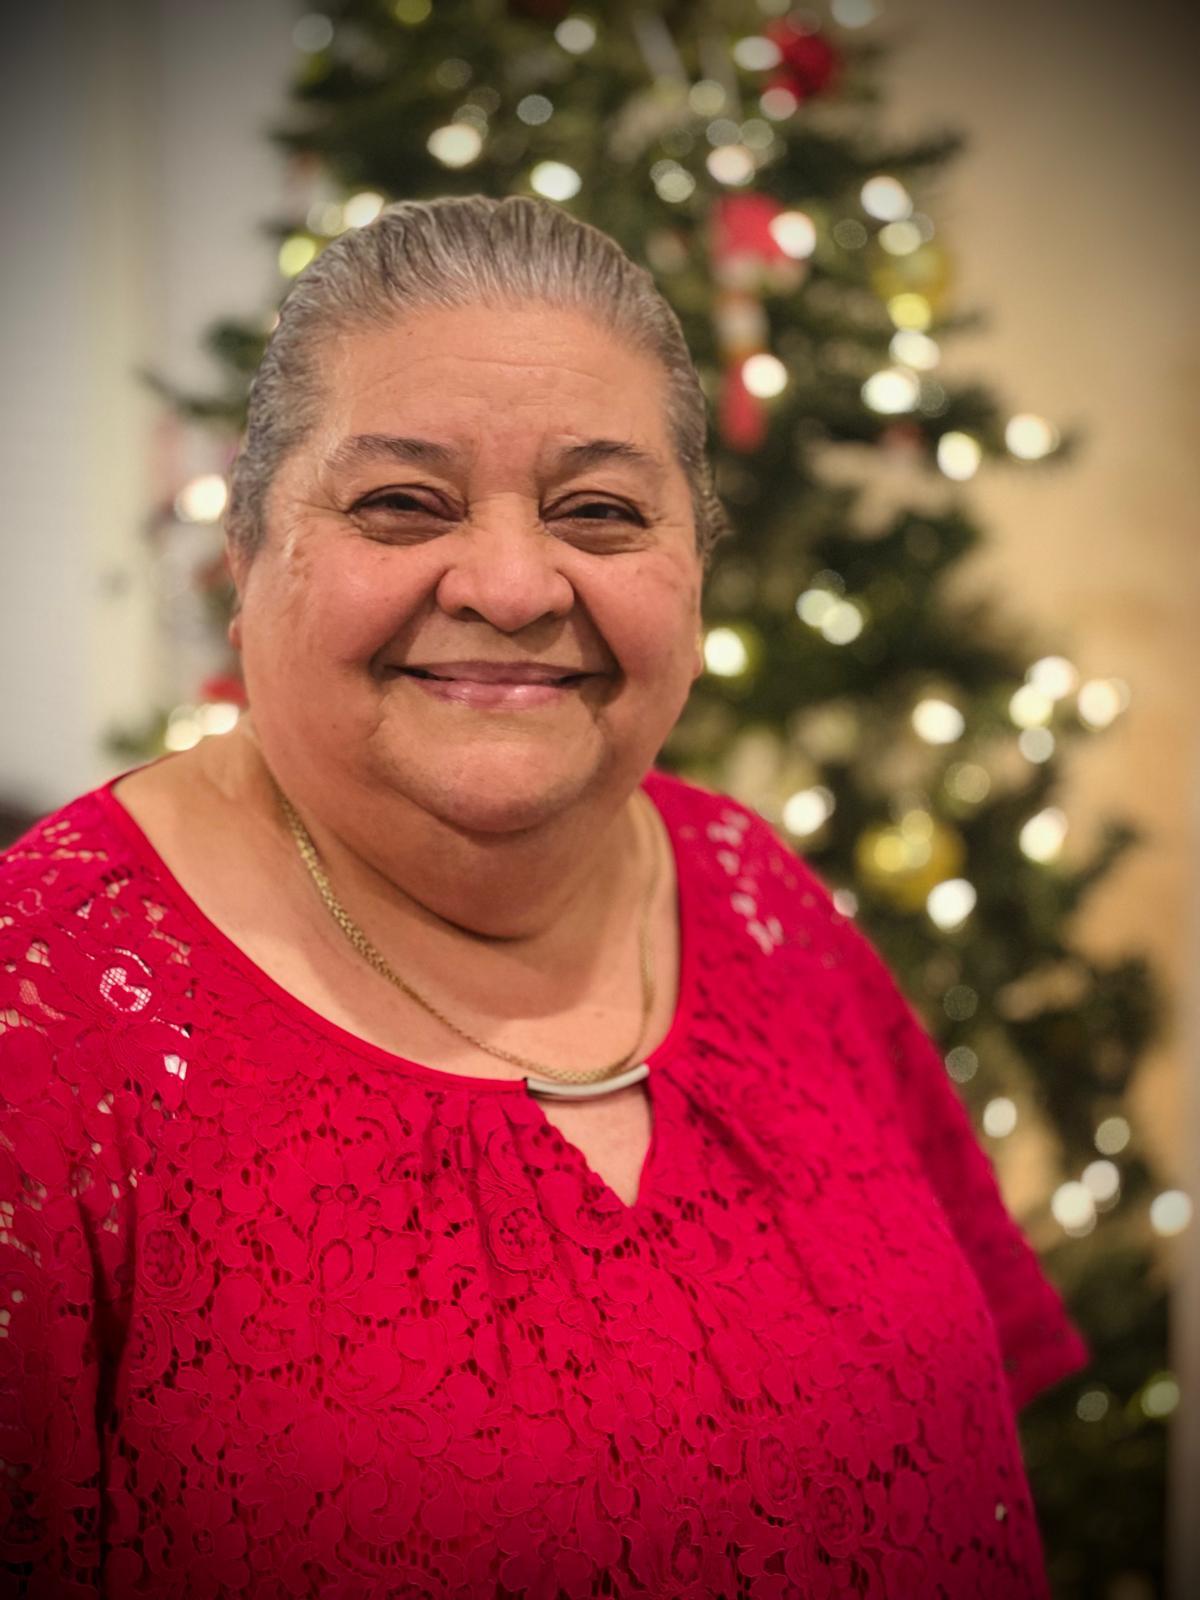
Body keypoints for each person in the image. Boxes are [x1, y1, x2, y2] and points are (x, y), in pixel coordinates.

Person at [0, 195, 1088, 1598]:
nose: (513, 584)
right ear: (249, 551)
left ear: (693, 571)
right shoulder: (44, 1018)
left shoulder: (758, 894)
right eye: (401, 502)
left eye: (600, 511)